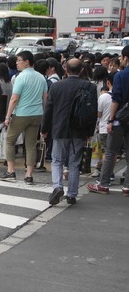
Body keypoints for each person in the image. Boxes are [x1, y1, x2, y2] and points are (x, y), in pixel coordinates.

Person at [42, 59, 97, 206]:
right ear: (81, 70)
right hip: (79, 129)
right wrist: (90, 131)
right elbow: (92, 112)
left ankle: (58, 186)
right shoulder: (89, 87)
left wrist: (45, 129)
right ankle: (72, 194)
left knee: (57, 160)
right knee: (74, 163)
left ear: (66, 69)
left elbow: (49, 110)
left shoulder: (56, 86)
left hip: (60, 128)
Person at [0, 50, 47, 185]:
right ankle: (29, 175)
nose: (17, 63)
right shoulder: (41, 77)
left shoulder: (20, 77)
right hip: (37, 113)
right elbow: (45, 98)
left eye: (19, 60)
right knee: (31, 144)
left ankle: (10, 171)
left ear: (26, 62)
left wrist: (8, 116)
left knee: (9, 140)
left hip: (22, 113)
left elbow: (14, 99)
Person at [87, 45, 129, 197]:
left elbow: (115, 99)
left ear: (125, 58)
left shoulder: (120, 75)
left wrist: (110, 120)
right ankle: (127, 187)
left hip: (119, 119)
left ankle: (103, 184)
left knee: (111, 151)